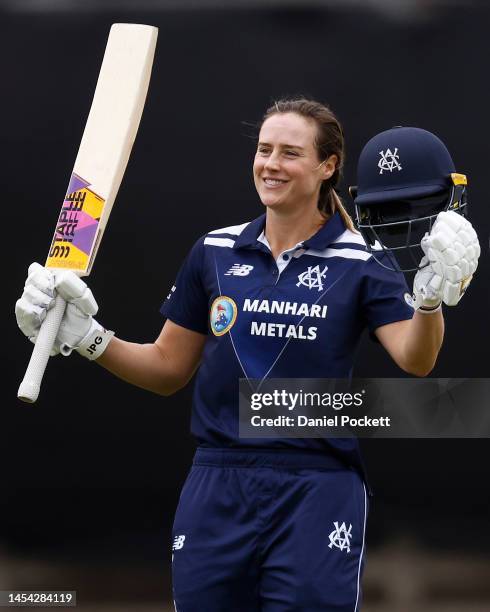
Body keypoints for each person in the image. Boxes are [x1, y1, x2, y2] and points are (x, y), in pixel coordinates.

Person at [15, 98, 480, 611]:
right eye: (264, 150)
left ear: (327, 166)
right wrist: (88, 337)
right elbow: (167, 369)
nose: (271, 164)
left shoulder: (362, 262)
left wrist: (431, 301)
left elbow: (417, 359)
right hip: (217, 483)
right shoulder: (213, 250)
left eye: (289, 153)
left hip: (316, 487)